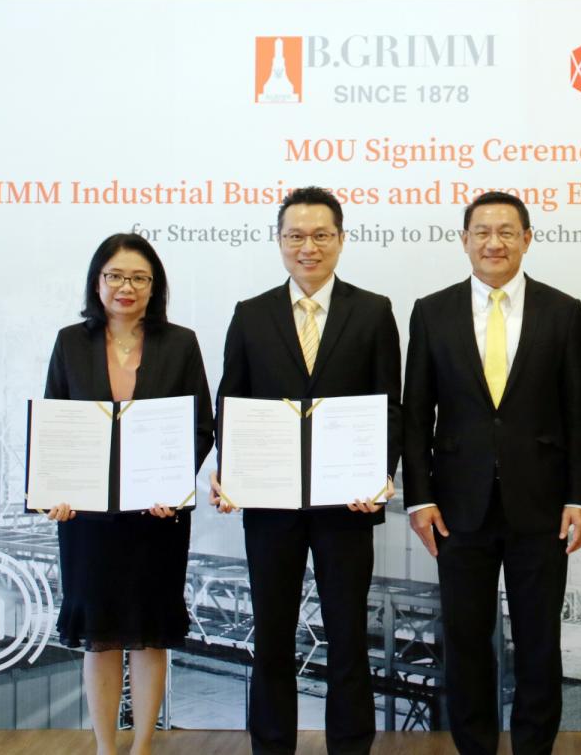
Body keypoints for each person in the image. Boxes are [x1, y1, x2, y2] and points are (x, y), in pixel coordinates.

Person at [210, 186, 402, 755]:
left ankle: (350, 747)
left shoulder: (373, 311)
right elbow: (231, 403)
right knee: (271, 635)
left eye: (321, 235)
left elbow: (390, 404)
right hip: (270, 507)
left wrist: (380, 474)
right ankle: (271, 746)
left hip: (347, 505)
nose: (308, 247)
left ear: (341, 240)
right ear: (279, 241)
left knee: (348, 638)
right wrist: (229, 471)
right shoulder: (251, 314)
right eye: (296, 235)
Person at [402, 191, 581, 755]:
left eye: (507, 231)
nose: (494, 242)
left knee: (539, 642)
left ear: (527, 239)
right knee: (465, 641)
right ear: (464, 241)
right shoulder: (431, 311)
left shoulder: (562, 310)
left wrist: (580, 497)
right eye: (482, 231)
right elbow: (416, 415)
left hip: (542, 504)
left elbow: (577, 413)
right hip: (457, 508)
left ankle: (534, 747)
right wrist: (420, 497)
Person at [44, 232, 215, 755]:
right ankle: (104, 745)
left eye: (139, 278)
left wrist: (172, 482)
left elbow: (200, 426)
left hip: (156, 516)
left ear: (154, 287)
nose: (126, 287)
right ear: (97, 282)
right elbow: (57, 422)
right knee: (100, 636)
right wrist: (57, 488)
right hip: (88, 518)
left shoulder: (180, 342)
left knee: (149, 631)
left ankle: (142, 746)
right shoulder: (70, 341)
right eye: (115, 275)